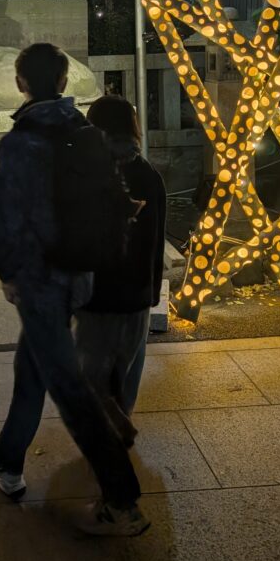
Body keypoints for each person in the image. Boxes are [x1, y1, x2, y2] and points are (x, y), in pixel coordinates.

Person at [0, 43, 149, 538]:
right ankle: (7, 459)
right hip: (81, 275)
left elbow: (5, 219)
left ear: (20, 83)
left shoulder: (21, 142)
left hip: (41, 281)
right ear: (63, 80)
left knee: (71, 391)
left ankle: (122, 501)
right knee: (31, 366)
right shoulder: (86, 132)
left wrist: (8, 273)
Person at [75, 95, 167, 446]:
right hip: (138, 294)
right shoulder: (149, 175)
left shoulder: (88, 175)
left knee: (90, 372)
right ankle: (121, 420)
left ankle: (110, 430)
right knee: (127, 372)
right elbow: (156, 240)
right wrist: (153, 291)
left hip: (98, 295)